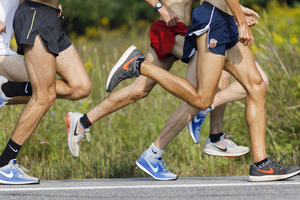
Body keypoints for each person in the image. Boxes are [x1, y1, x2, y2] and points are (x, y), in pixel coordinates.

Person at [106, 0, 300, 181]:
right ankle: (139, 65)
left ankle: (261, 164)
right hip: (213, 21)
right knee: (202, 101)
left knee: (257, 85)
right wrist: (241, 21)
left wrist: (237, 10)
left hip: (223, 18)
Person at [66, 0, 255, 162]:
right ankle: (212, 135)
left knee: (139, 90)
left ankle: (82, 121)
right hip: (171, 30)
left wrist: (237, 11)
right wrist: (160, 7)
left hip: (185, 30)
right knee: (208, 79)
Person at [0, 0, 91, 185]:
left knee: (80, 87)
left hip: (49, 16)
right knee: (44, 94)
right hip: (35, 14)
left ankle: (5, 90)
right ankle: (4, 164)